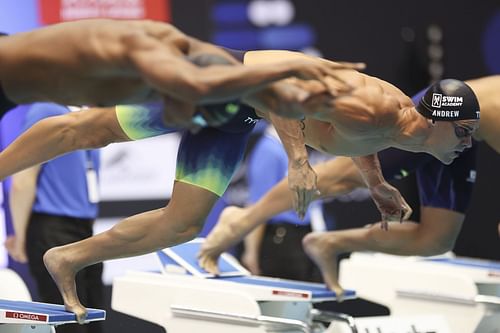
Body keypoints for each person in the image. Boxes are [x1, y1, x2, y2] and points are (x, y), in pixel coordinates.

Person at [0, 51, 480, 322]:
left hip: (235, 116)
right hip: (216, 81)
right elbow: (278, 90)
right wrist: (298, 162)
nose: (466, 144)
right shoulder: (372, 107)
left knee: (182, 225)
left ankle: (67, 257)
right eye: (463, 132)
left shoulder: (396, 125)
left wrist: (374, 183)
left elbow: (362, 141)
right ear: (437, 119)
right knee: (90, 130)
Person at [199, 75, 500, 299]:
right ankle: (243, 218)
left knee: (436, 241)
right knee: (342, 176)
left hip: (462, 133)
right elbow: (283, 97)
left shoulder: (467, 133)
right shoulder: (409, 115)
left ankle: (330, 244)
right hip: (443, 126)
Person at [0, 19, 358, 127]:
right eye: (198, 116)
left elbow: (250, 93)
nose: (189, 125)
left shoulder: (205, 65)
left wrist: (297, 101)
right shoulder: (143, 47)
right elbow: (197, 84)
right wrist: (292, 65)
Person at [4, 103, 103, 333]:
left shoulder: (90, 113)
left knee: (92, 319)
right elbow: (23, 179)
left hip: (84, 229)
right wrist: (19, 235)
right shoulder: (45, 111)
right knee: (68, 323)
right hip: (53, 230)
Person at [239, 124, 323, 281]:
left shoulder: (296, 152)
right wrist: (251, 252)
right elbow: (258, 204)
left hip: (301, 235)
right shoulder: (268, 151)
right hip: (280, 239)